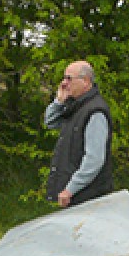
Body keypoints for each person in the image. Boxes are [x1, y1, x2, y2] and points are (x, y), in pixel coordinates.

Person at [44, 60, 113, 207]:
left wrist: (70, 190)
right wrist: (59, 101)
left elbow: (94, 160)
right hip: (76, 198)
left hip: (89, 199)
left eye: (69, 78)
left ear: (86, 81)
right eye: (64, 78)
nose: (64, 83)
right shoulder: (75, 106)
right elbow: (50, 122)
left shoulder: (95, 112)